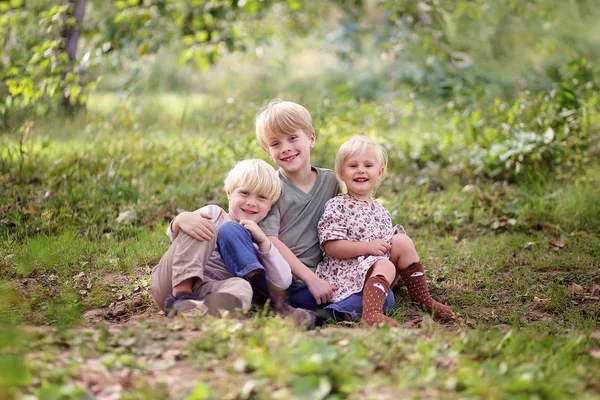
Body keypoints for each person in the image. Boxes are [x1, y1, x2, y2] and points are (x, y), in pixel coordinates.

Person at [316, 136, 455, 326]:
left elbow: (386, 247)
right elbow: (332, 246)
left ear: (380, 173)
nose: (361, 170)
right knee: (385, 265)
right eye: (353, 165)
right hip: (348, 271)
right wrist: (367, 248)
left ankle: (422, 298)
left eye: (368, 165)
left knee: (402, 241)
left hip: (376, 267)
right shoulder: (337, 205)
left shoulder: (380, 210)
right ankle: (371, 314)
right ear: (340, 173)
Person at [150, 159, 298, 320]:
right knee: (203, 226)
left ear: (270, 206)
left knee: (243, 287)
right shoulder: (214, 214)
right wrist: (180, 220)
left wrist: (263, 243)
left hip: (206, 289)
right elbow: (177, 240)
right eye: (244, 193)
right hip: (171, 279)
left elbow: (283, 281)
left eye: (261, 197)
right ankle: (180, 294)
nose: (251, 202)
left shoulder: (256, 240)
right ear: (229, 193)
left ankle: (201, 309)